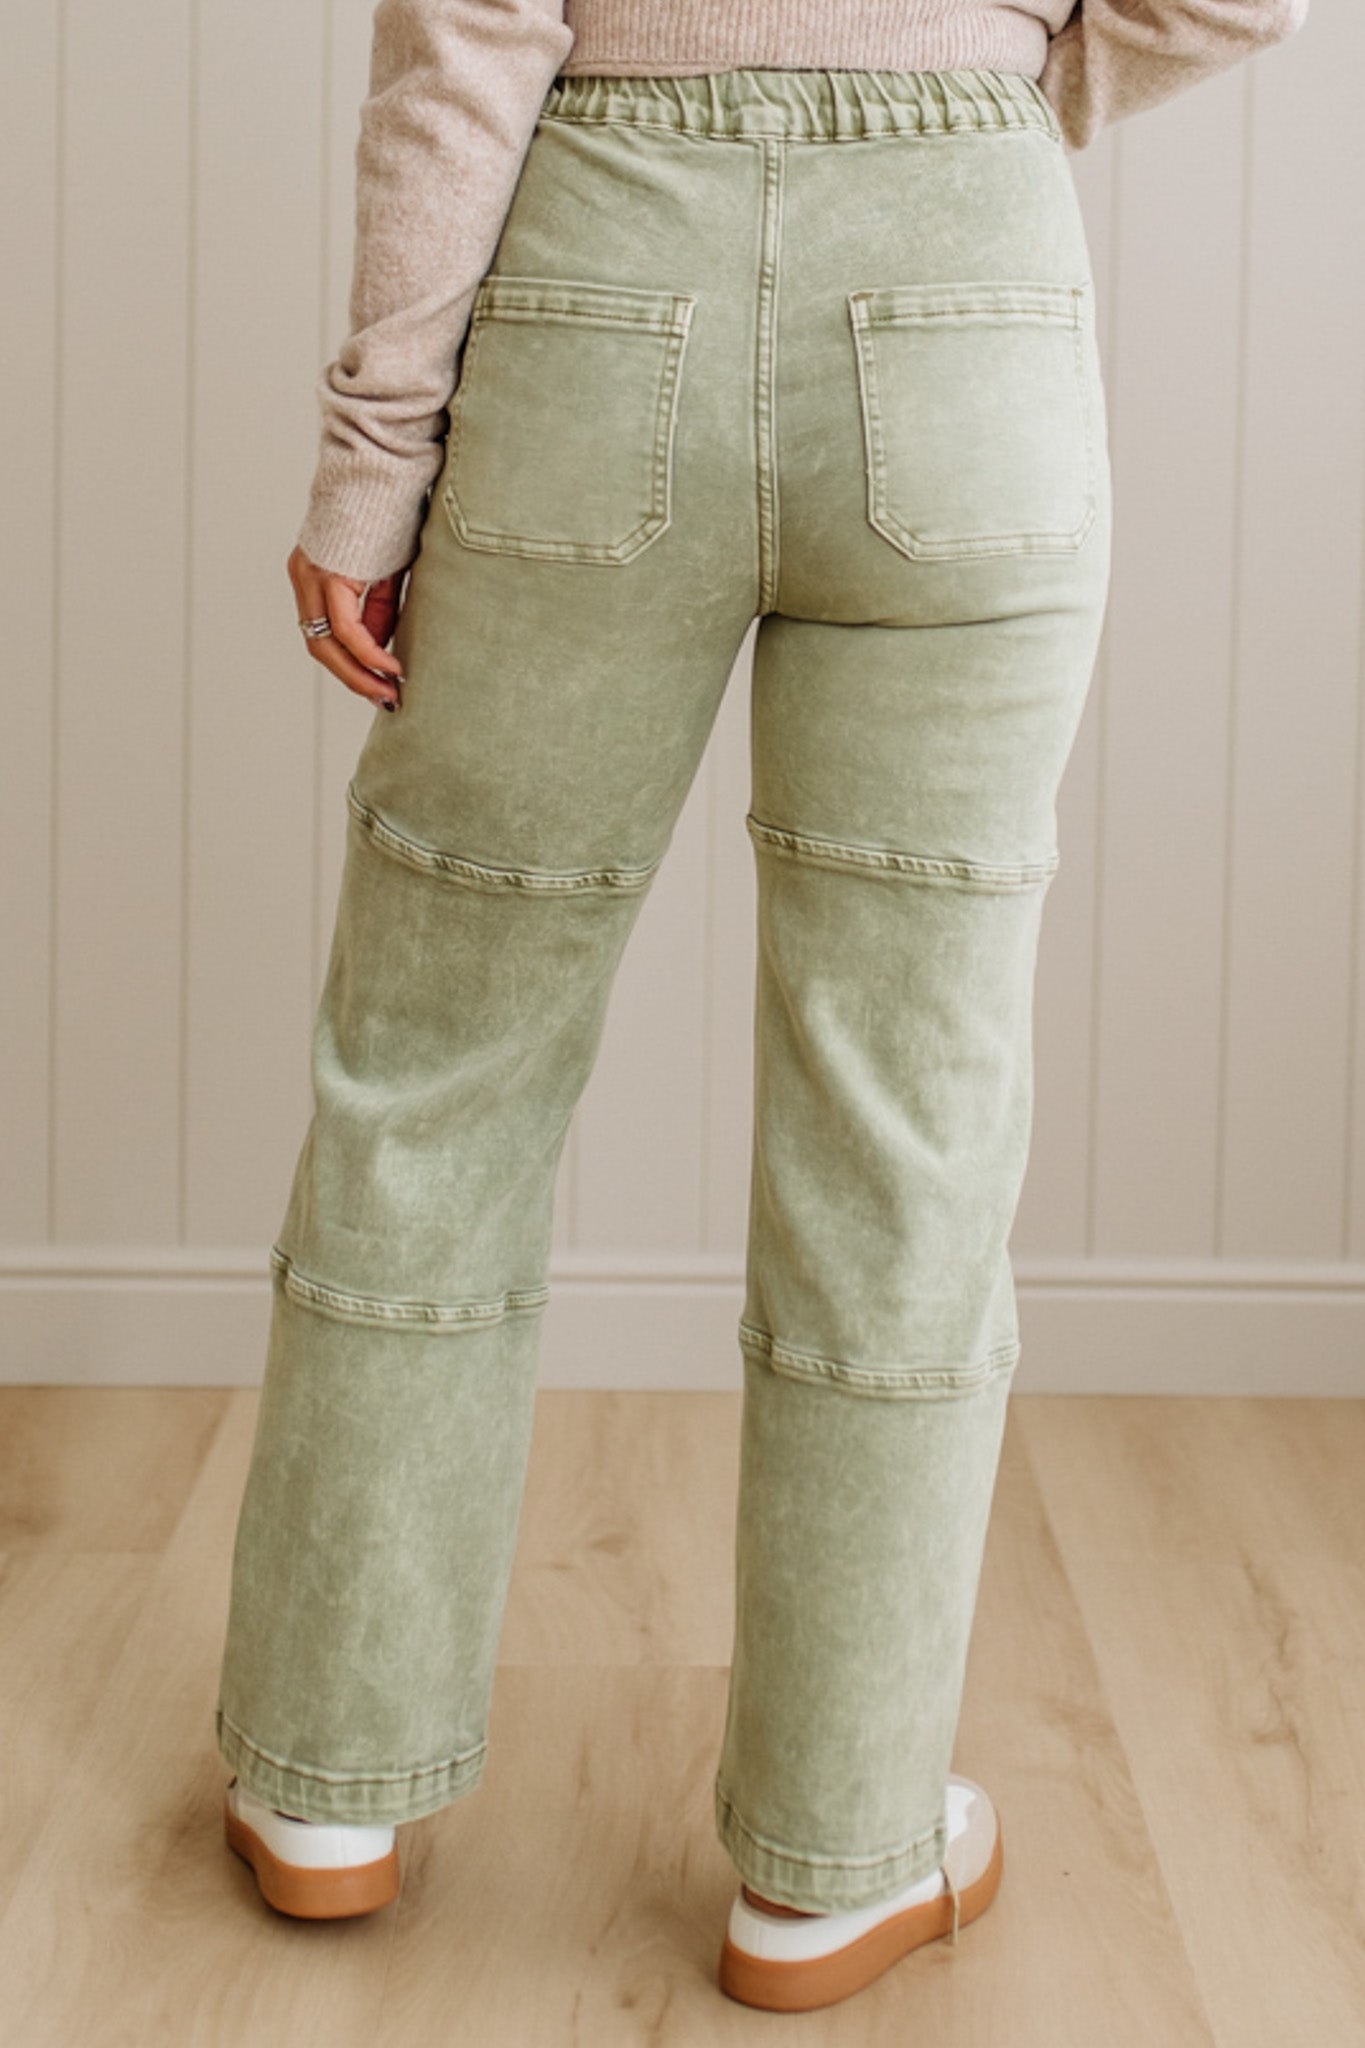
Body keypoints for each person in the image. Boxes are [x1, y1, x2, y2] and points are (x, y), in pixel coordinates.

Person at [213, 0, 1309, 2013]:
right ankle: (834, 1856)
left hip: (599, 273)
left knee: (439, 1050)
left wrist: (372, 465)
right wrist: (990, 82)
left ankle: (326, 1793)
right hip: (965, 285)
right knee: (902, 1103)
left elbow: (470, 33)